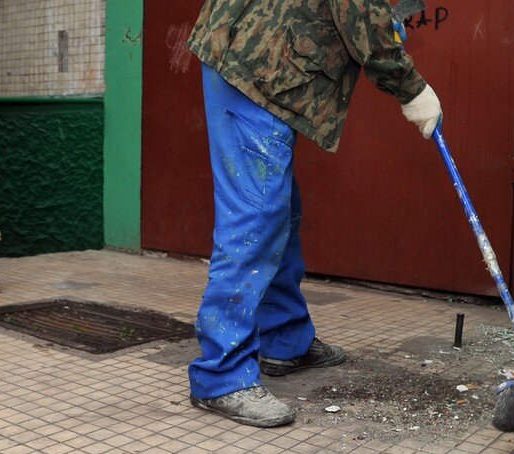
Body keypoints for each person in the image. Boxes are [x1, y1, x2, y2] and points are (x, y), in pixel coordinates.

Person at [186, 0, 442, 428]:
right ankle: (222, 376)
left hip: (262, 56)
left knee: (276, 209)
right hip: (255, 65)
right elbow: (363, 15)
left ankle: (283, 339)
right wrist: (411, 88)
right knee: (256, 214)